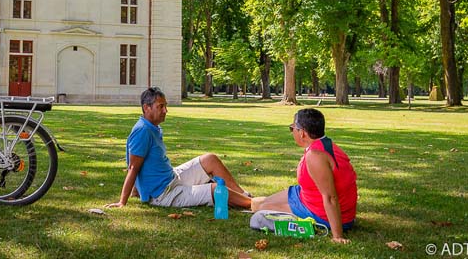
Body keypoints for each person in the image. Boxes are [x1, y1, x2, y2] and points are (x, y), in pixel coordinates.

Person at [106, 87, 252, 210]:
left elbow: (144, 163)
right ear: (146, 108)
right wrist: (122, 202)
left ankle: (244, 195)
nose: (165, 110)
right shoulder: (142, 131)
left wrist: (137, 191)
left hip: (172, 177)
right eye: (160, 106)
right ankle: (253, 205)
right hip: (164, 194)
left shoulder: (153, 127)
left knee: (210, 159)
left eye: (165, 106)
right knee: (215, 190)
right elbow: (133, 167)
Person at [251, 108, 357, 244]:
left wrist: (337, 236)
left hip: (319, 212)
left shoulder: (315, 156)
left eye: (292, 128)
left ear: (302, 133)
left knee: (259, 215)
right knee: (258, 204)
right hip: (306, 195)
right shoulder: (325, 143)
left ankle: (309, 226)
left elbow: (330, 197)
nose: (292, 131)